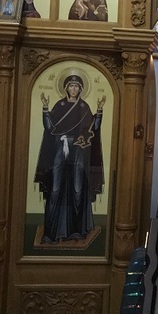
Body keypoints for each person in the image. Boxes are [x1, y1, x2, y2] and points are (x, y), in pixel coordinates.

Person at [34, 75, 105, 243]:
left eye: (76, 86)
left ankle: (77, 231)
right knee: (55, 188)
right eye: (71, 86)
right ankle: (51, 233)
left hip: (79, 150)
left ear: (80, 89)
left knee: (78, 189)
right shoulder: (59, 105)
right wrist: (45, 108)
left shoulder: (84, 107)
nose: (74, 89)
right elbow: (50, 128)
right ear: (66, 88)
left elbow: (93, 128)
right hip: (60, 147)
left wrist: (99, 110)